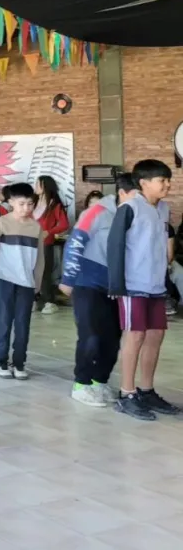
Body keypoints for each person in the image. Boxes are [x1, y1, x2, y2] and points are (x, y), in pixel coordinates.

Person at [107, 159, 181, 420]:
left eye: (168, 180)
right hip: (132, 285)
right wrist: (116, 284)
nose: (167, 184)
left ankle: (146, 390)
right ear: (144, 183)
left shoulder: (161, 210)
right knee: (135, 336)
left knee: (155, 335)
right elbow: (114, 245)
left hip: (155, 286)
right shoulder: (129, 207)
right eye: (162, 180)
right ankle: (126, 394)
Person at [60, 173, 134, 408]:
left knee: (112, 338)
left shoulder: (132, 215)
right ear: (123, 193)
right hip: (87, 282)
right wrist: (68, 278)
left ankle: (99, 380)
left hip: (114, 286)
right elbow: (75, 242)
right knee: (91, 335)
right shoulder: (97, 212)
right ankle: (81, 383)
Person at [0, 183, 45, 380]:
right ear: (11, 203)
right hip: (5, 277)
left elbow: (40, 258)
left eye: (30, 204)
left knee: (23, 324)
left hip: (26, 281)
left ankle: (19, 362)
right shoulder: (3, 222)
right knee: (3, 321)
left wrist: (38, 282)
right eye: (22, 204)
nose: (26, 208)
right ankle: (0, 361)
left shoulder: (36, 227)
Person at [33, 176, 69, 314]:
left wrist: (49, 232)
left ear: (46, 186)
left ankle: (49, 301)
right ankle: (35, 300)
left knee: (44, 273)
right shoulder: (33, 202)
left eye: (38, 184)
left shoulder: (54, 205)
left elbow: (64, 224)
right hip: (30, 243)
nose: (35, 186)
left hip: (44, 243)